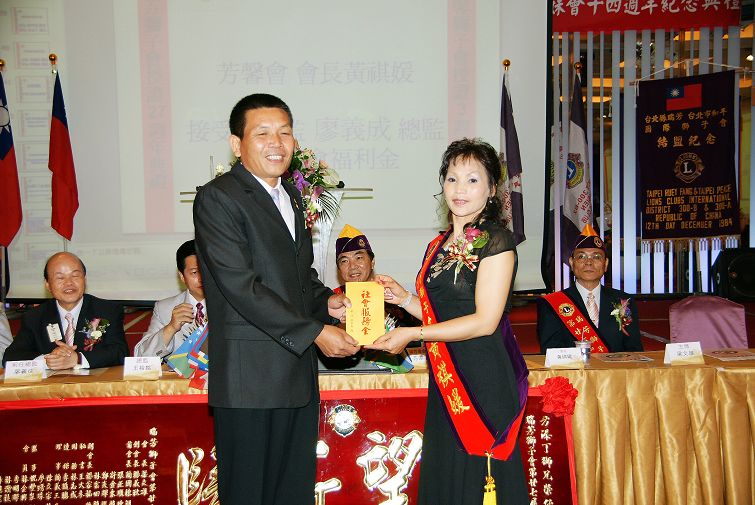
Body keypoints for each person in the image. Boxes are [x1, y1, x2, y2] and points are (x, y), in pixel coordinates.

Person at [192, 93, 359, 505]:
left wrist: (327, 303)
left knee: (292, 491)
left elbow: (298, 278)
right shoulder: (219, 197)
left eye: (285, 132)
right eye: (263, 133)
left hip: (296, 376)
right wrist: (315, 332)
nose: (276, 143)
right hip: (250, 379)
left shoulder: (291, 196)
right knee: (250, 493)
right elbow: (241, 286)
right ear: (237, 145)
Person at [366, 138, 529, 505]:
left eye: (473, 180)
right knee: (448, 476)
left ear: (491, 189)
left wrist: (413, 333)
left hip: (482, 381)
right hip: (446, 379)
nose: (460, 189)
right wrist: (403, 299)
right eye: (452, 178)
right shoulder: (437, 246)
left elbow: (485, 321)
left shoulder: (497, 242)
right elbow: (441, 315)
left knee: (478, 477)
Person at [2, 252, 128, 369]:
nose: (69, 283)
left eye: (75, 275)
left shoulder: (108, 310)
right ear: (47, 284)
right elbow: (11, 357)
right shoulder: (34, 317)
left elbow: (120, 352)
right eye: (60, 278)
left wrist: (77, 359)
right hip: (51, 385)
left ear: (84, 279)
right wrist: (49, 360)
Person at [537, 225, 643, 353]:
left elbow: (634, 350)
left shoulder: (623, 302)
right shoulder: (552, 304)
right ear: (571, 263)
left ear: (606, 264)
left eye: (596, 257)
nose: (589, 262)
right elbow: (551, 352)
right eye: (581, 257)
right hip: (572, 366)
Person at [333, 224, 420, 328]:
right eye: (344, 261)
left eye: (359, 258)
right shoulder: (334, 300)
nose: (352, 266)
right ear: (339, 268)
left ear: (372, 262)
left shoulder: (391, 295)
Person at [133, 240, 206, 359]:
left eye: (207, 271)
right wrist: (171, 328)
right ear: (182, 276)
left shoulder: (230, 305)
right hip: (176, 371)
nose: (202, 278)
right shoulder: (164, 308)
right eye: (194, 272)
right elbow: (141, 356)